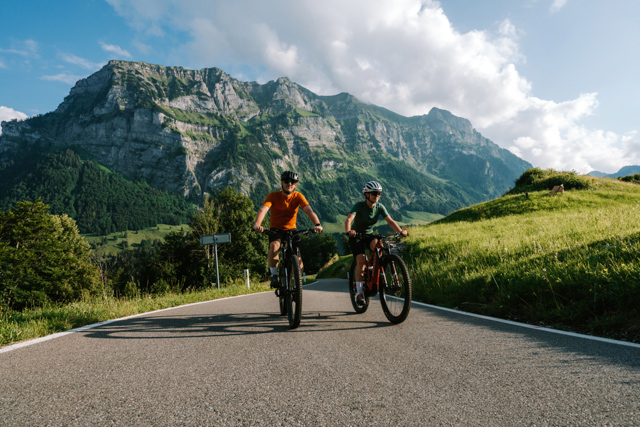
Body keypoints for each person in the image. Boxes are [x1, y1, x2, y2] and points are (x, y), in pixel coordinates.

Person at [253, 170, 323, 288]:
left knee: (298, 257)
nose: (289, 183)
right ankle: (274, 275)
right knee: (274, 246)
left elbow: (309, 211)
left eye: (293, 182)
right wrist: (257, 225)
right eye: (287, 181)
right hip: (276, 229)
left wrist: (317, 224)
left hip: (292, 230)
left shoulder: (298, 196)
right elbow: (263, 210)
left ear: (295, 184)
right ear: (282, 182)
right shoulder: (273, 196)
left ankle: (297, 285)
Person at [345, 180, 407, 305]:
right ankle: (359, 293)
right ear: (367, 194)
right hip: (356, 236)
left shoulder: (380, 207)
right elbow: (349, 219)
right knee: (361, 262)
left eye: (379, 193)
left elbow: (390, 221)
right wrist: (349, 230)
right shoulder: (359, 206)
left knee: (379, 248)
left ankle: (375, 272)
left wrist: (400, 231)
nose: (377, 195)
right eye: (374, 193)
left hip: (369, 235)